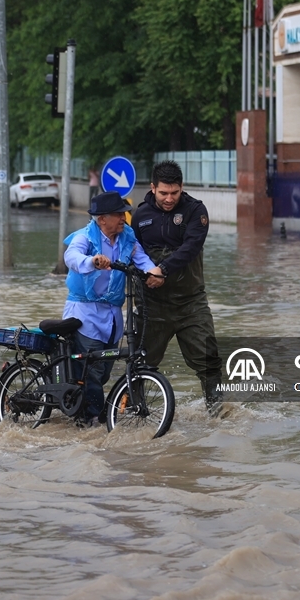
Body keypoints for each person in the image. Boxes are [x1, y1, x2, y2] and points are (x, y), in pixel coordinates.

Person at [63, 191, 164, 427]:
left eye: (124, 213)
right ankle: (92, 422)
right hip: (84, 314)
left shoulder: (127, 237)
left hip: (112, 317)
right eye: (118, 214)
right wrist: (92, 261)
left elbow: (142, 260)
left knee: (104, 372)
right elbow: (72, 256)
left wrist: (155, 272)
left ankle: (92, 414)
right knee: (93, 373)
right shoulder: (85, 237)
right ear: (101, 219)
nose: (124, 218)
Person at [132, 161, 226, 416]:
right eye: (163, 193)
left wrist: (162, 269)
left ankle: (220, 416)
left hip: (191, 304)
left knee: (209, 362)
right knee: (139, 364)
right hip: (151, 305)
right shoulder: (140, 216)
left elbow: (191, 248)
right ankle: (136, 413)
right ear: (153, 188)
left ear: (182, 187)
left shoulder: (196, 211)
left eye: (174, 192)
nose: (169, 198)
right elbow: (132, 253)